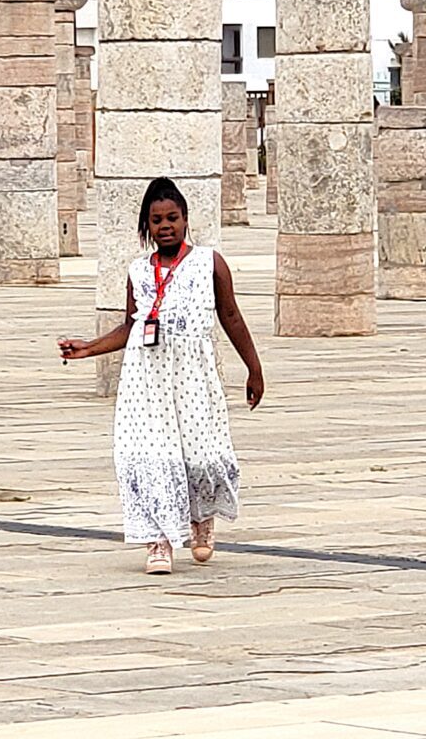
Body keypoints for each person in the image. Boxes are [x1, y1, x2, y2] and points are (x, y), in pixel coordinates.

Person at [58, 177, 264, 575]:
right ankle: (159, 540)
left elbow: (231, 316)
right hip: (146, 380)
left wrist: (253, 368)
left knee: (202, 453)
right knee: (154, 457)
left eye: (173, 217)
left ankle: (202, 517)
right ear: (146, 226)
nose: (165, 225)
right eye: (157, 220)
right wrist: (88, 348)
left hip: (193, 377)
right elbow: (131, 326)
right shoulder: (138, 271)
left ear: (186, 221)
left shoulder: (209, 262)